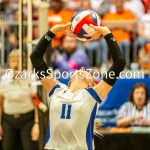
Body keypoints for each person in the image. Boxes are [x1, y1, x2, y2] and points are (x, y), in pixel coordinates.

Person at [30, 22, 126, 150]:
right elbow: (35, 56)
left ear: (91, 84)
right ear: (69, 81)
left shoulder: (92, 95)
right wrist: (54, 30)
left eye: (87, 71)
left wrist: (106, 32)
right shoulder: (56, 89)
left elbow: (119, 62)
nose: (82, 68)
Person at [0, 49, 39, 150]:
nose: (16, 64)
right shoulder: (4, 79)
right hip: (8, 121)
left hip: (27, 120)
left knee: (29, 147)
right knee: (7, 147)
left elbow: (36, 101)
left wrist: (36, 124)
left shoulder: (30, 77)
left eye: (18, 61)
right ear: (9, 62)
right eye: (13, 61)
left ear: (24, 62)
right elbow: (0, 103)